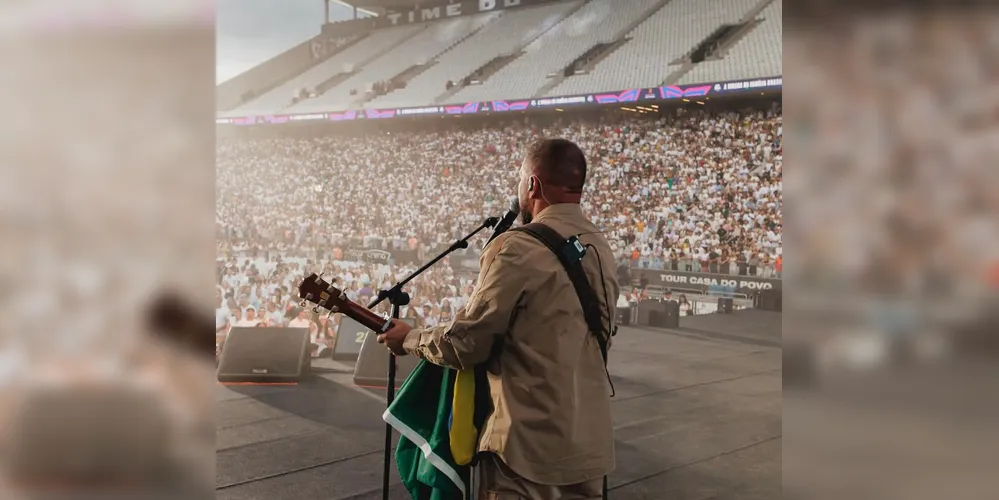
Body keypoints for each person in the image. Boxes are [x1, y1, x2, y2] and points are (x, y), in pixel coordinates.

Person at [378, 138, 618, 500]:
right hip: (588, 447)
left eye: (521, 181)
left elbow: (466, 343)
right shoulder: (602, 246)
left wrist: (410, 339)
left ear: (533, 184)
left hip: (525, 449)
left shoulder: (517, 247)